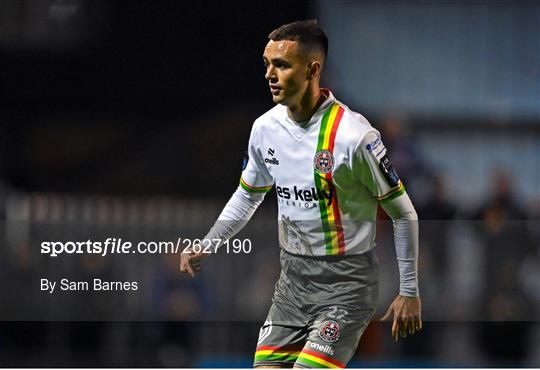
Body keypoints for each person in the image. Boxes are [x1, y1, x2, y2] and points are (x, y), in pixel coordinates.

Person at [181, 20, 422, 368]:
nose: (269, 74)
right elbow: (248, 195)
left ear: (313, 70)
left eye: (281, 65)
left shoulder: (355, 137)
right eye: (267, 64)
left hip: (347, 284)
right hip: (292, 283)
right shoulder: (264, 129)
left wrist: (409, 290)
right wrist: (209, 242)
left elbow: (404, 212)